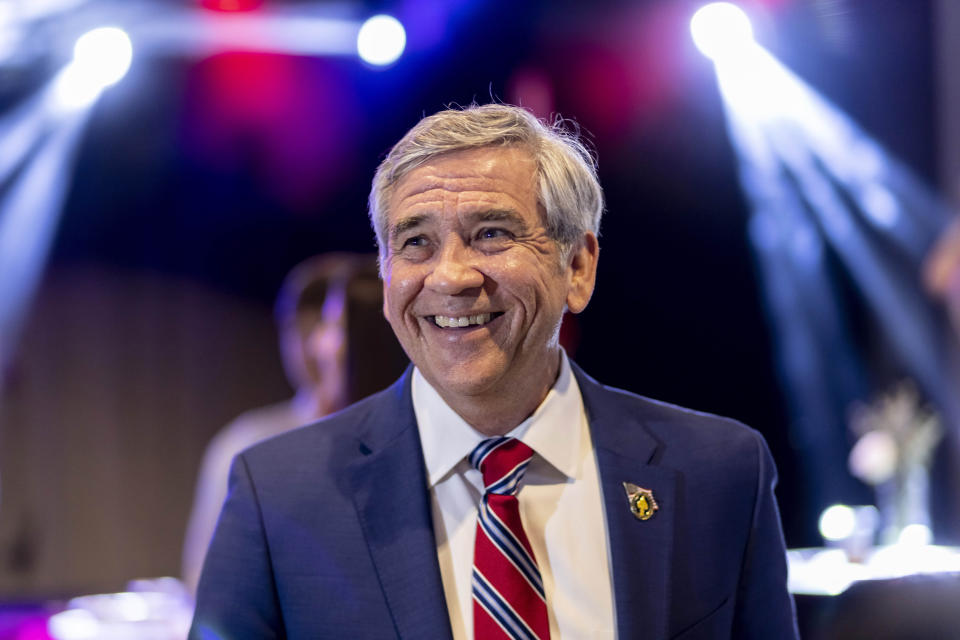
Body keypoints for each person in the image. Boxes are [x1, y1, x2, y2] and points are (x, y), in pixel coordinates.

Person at [190, 104, 798, 639]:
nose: (451, 277)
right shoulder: (278, 493)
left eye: (490, 234)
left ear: (579, 267)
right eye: (415, 244)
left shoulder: (720, 473)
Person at [181, 253, 407, 593]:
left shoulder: (411, 447)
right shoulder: (251, 447)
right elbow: (207, 580)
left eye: (333, 327)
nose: (317, 347)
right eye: (303, 331)